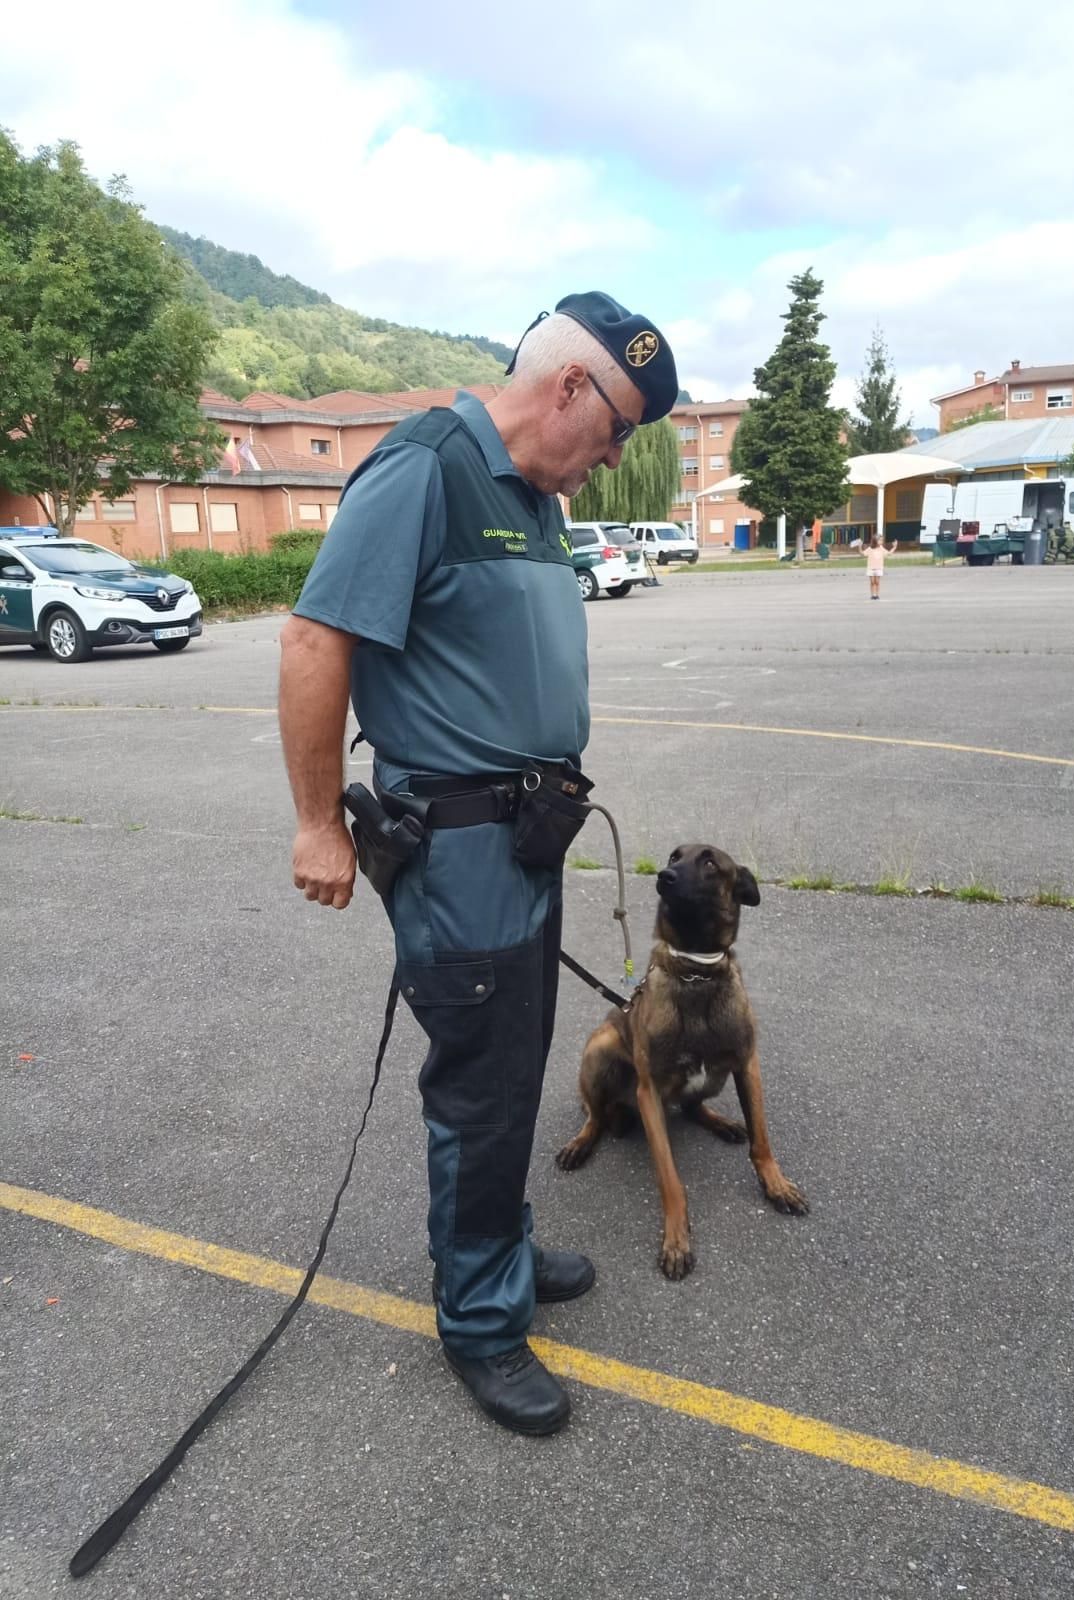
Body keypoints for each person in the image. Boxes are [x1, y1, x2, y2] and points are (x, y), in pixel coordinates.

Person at [277, 292, 677, 1436]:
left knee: (514, 1064)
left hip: (526, 837)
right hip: (457, 850)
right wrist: (317, 823)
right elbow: (316, 639)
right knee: (482, 1087)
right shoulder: (425, 473)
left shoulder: (535, 499)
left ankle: (495, 1246)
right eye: (612, 435)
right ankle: (482, 1321)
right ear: (567, 389)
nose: (607, 463)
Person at [865, 530, 897, 598]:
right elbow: (862, 554)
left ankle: (877, 595)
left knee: (877, 582)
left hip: (879, 568)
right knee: (872, 582)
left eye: (882, 540)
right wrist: (859, 547)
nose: (882, 541)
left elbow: (889, 553)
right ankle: (872, 595)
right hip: (871, 568)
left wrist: (894, 547)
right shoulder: (870, 549)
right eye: (880, 540)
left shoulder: (881, 548)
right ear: (875, 541)